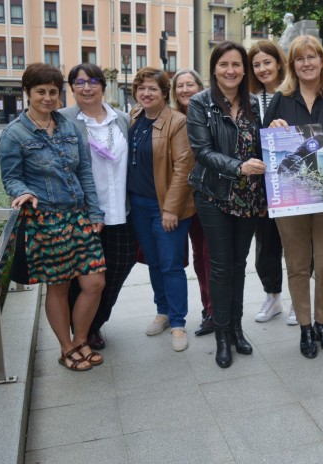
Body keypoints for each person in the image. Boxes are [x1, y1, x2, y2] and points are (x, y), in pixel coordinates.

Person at [0, 62, 106, 371]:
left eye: (53, 92)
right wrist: (24, 191)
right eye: (40, 92)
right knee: (58, 286)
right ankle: (66, 346)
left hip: (79, 217)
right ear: (28, 93)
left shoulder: (71, 127)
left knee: (94, 282)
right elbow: (11, 178)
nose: (47, 98)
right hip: (45, 220)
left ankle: (82, 337)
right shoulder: (14, 134)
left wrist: (94, 211)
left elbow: (85, 171)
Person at [264, 35, 323, 359]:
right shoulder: (280, 101)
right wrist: (274, 129)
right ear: (293, 65)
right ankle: (305, 328)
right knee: (297, 264)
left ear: (322, 62)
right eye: (300, 58)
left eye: (312, 57)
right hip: (292, 196)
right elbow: (266, 148)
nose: (307, 63)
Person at [187, 41, 265, 368]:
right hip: (214, 194)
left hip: (248, 196)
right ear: (214, 69)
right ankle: (221, 334)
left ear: (244, 70)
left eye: (236, 64)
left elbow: (265, 144)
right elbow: (201, 150)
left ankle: (236, 328)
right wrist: (238, 167)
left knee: (238, 264)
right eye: (223, 65)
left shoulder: (254, 104)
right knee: (220, 266)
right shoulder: (200, 103)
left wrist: (274, 133)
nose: (230, 70)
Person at [60, 64, 135, 351]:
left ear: (103, 86)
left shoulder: (123, 120)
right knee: (85, 279)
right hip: (84, 215)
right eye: (79, 82)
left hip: (120, 212)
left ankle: (96, 322)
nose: (87, 87)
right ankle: (83, 331)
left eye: (92, 81)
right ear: (72, 87)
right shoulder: (63, 120)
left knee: (118, 270)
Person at [127, 67, 196, 352]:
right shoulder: (134, 117)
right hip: (139, 205)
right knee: (154, 263)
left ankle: (179, 322)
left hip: (165, 207)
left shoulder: (177, 121)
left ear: (164, 93)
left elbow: (183, 167)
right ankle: (163, 312)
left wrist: (171, 209)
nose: (146, 93)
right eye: (141, 88)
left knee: (170, 265)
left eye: (152, 88)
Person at [247, 40, 296, 325]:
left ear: (279, 62)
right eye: (257, 64)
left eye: (267, 62)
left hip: (290, 182)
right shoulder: (250, 100)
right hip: (260, 184)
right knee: (266, 245)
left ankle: (298, 298)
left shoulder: (294, 95)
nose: (263, 68)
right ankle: (273, 296)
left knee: (296, 245)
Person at [172, 68, 216, 337]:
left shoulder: (210, 114)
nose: (186, 89)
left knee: (210, 255)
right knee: (198, 256)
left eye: (190, 84)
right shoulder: (173, 119)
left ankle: (213, 310)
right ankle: (207, 306)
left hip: (210, 195)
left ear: (200, 87)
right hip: (185, 198)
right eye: (180, 85)